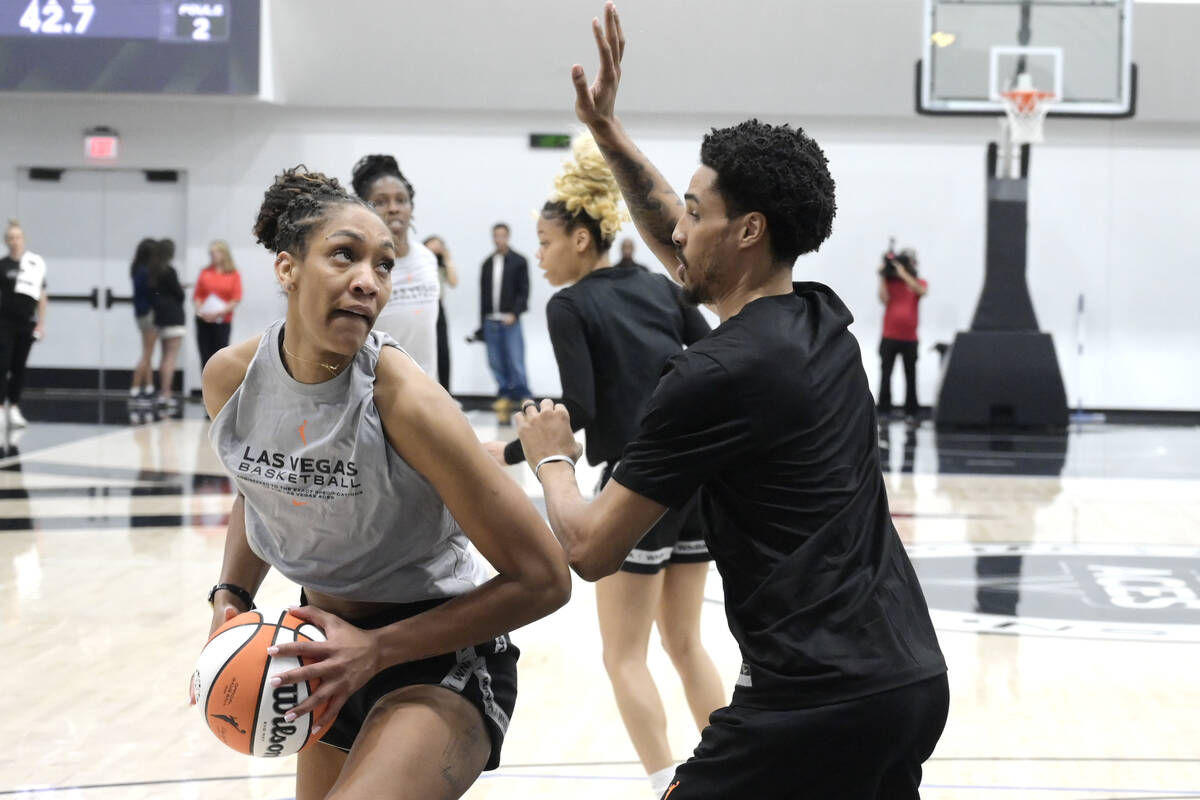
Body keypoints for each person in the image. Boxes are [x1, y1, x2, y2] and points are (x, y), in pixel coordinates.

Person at [515, 5, 948, 797]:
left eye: (695, 210)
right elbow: (679, 248)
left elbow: (589, 550)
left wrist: (551, 457)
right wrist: (607, 131)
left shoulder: (712, 374)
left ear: (747, 231)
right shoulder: (826, 323)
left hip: (810, 701)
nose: (678, 227)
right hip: (909, 680)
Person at [197, 166, 570, 800]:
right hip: (321, 654)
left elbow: (545, 579)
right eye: (344, 256)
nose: (368, 282)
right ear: (287, 268)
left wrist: (376, 649)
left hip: (435, 655)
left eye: (384, 266)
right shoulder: (231, 379)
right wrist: (231, 593)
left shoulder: (408, 402)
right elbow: (259, 485)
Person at [486, 135, 723, 799]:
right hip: (696, 481)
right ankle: (736, 776)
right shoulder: (655, 283)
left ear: (582, 242)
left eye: (545, 240)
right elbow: (713, 355)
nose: (539, 253)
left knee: (624, 655)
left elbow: (579, 414)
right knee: (685, 642)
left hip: (637, 483)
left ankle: (668, 788)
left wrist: (508, 451)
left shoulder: (570, 305)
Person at [350, 155, 440, 378]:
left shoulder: (427, 258)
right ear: (365, 209)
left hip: (425, 389)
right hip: (376, 392)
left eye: (401, 200)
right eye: (381, 202)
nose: (393, 208)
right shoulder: (359, 269)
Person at [477, 223, 531, 424]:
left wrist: (515, 313)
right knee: (495, 360)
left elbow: (524, 291)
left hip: (510, 319)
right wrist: (482, 322)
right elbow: (483, 296)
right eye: (496, 236)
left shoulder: (519, 261)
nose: (499, 239)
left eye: (502, 235)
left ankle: (524, 394)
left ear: (508, 236)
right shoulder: (488, 264)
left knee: (515, 358)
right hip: (491, 319)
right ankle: (504, 395)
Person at [0, 220, 47, 428]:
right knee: (3, 364)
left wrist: (41, 323)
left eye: (18, 238)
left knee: (19, 366)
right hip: (5, 322)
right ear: (6, 241)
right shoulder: (3, 265)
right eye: (10, 238)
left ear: (23, 240)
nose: (14, 242)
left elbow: (42, 295)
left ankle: (14, 406)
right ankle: (1, 407)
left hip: (26, 322)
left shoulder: (34, 265)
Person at [877, 248, 928, 423]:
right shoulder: (890, 283)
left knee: (910, 375)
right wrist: (883, 276)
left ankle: (911, 412)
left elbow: (921, 291)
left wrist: (903, 273)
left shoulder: (918, 282)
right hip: (889, 336)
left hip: (910, 339)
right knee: (886, 374)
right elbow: (883, 299)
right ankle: (883, 411)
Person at [193, 240, 243, 372]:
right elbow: (198, 295)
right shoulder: (205, 272)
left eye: (215, 252)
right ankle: (206, 388)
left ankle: (220, 389)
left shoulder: (233, 274)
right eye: (211, 253)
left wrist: (218, 313)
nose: (213, 255)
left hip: (222, 320)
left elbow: (236, 298)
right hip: (204, 319)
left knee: (220, 355)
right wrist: (200, 311)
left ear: (224, 254)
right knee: (205, 355)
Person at [151, 238, 186, 415]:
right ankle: (166, 393)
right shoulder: (169, 270)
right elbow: (179, 294)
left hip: (161, 317)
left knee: (163, 356)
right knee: (171, 357)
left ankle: (161, 392)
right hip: (173, 316)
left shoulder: (155, 271)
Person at [423, 235, 458, 392]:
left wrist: (447, 258)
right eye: (434, 244)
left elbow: (453, 282)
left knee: (443, 350)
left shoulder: (441, 265)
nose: (438, 247)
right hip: (421, 306)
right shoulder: (420, 263)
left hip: (438, 306)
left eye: (440, 244)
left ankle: (446, 392)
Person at [129, 238, 161, 412]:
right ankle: (135, 388)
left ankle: (148, 388)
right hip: (148, 313)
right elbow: (151, 292)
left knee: (148, 351)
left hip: (141, 313)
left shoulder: (136, 269)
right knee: (147, 353)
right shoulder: (145, 271)